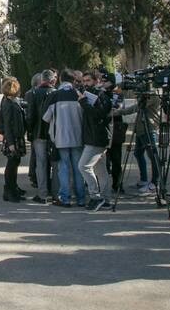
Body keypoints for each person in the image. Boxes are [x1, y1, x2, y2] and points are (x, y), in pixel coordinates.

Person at [43, 70, 86, 207]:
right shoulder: (79, 95)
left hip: (60, 137)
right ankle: (81, 199)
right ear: (73, 81)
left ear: (60, 80)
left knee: (64, 168)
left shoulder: (55, 95)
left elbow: (46, 117)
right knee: (78, 168)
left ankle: (65, 198)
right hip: (78, 137)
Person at [76, 71, 114, 211]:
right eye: (84, 81)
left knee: (83, 166)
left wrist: (84, 103)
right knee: (100, 170)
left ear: (96, 81)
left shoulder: (101, 96)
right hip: (92, 137)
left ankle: (96, 196)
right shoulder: (89, 95)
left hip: (97, 138)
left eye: (88, 80)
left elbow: (98, 115)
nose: (86, 83)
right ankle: (105, 199)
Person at [26, 70, 57, 202]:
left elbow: (30, 115)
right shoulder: (56, 93)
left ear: (42, 79)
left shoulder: (33, 93)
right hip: (54, 133)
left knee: (41, 163)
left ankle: (42, 193)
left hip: (38, 133)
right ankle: (56, 194)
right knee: (56, 163)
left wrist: (30, 131)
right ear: (52, 80)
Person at [0, 77, 28, 202]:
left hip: (16, 137)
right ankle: (9, 191)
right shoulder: (8, 104)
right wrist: (10, 143)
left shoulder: (10, 101)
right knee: (11, 165)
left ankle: (13, 188)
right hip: (13, 139)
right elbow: (8, 125)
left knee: (14, 164)